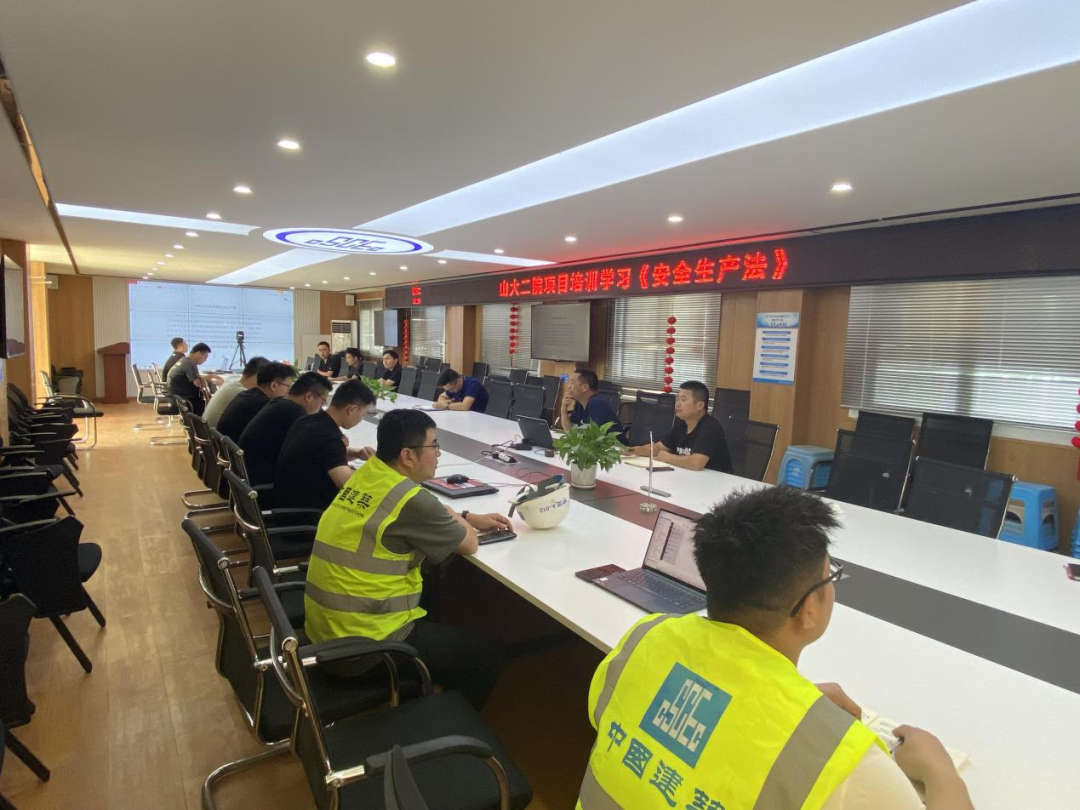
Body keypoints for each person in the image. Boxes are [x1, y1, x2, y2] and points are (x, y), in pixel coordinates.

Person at [577, 487, 974, 810]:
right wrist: (941, 772)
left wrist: (788, 709)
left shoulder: (646, 638)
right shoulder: (844, 768)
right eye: (830, 576)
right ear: (808, 609)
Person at [305, 409, 511, 710]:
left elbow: (417, 511)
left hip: (325, 634)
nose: (439, 454)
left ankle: (429, 686)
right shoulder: (411, 500)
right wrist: (452, 514)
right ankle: (441, 720)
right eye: (434, 445)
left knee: (428, 580)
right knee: (487, 650)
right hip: (364, 650)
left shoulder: (367, 475)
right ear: (407, 456)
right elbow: (468, 543)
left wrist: (463, 515)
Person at [273, 380, 377, 511]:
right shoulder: (329, 437)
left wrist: (357, 453)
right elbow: (349, 486)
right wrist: (376, 467)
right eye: (363, 414)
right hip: (306, 512)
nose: (361, 419)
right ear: (352, 409)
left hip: (285, 498)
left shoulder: (307, 420)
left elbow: (325, 455)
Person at [239, 372, 332, 486]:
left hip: (250, 475)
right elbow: (312, 452)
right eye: (322, 402)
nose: (321, 408)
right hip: (264, 483)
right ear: (309, 396)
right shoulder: (295, 414)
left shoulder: (280, 403)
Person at [626, 380, 732, 472]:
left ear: (699, 405)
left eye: (683, 400)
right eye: (677, 399)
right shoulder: (682, 424)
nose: (677, 404)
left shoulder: (710, 427)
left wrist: (667, 457)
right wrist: (629, 451)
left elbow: (696, 463)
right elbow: (657, 448)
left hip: (715, 482)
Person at [216, 361, 296, 443]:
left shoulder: (247, 395)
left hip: (225, 447)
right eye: (288, 387)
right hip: (236, 448)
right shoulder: (264, 405)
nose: (288, 392)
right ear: (274, 386)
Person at [202, 356, 269, 428]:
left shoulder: (231, 384)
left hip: (205, 431)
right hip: (213, 433)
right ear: (257, 376)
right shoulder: (243, 394)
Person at [559, 369, 621, 436]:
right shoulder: (579, 404)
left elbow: (592, 438)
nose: (569, 387)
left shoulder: (597, 404)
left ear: (584, 387)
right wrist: (563, 410)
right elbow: (571, 433)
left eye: (572, 382)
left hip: (613, 443)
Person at [167, 342, 212, 415]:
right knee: (214, 406)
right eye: (205, 357)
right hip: (186, 401)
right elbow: (198, 383)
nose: (206, 360)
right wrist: (212, 378)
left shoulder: (184, 360)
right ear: (198, 354)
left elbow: (196, 379)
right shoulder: (190, 364)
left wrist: (210, 377)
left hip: (177, 398)